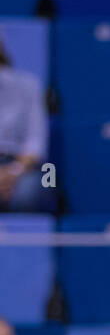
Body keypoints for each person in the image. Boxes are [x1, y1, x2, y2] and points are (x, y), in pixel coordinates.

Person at [0, 34, 50, 212]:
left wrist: (12, 172)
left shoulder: (29, 85)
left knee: (28, 195)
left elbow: (36, 144)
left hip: (23, 167)